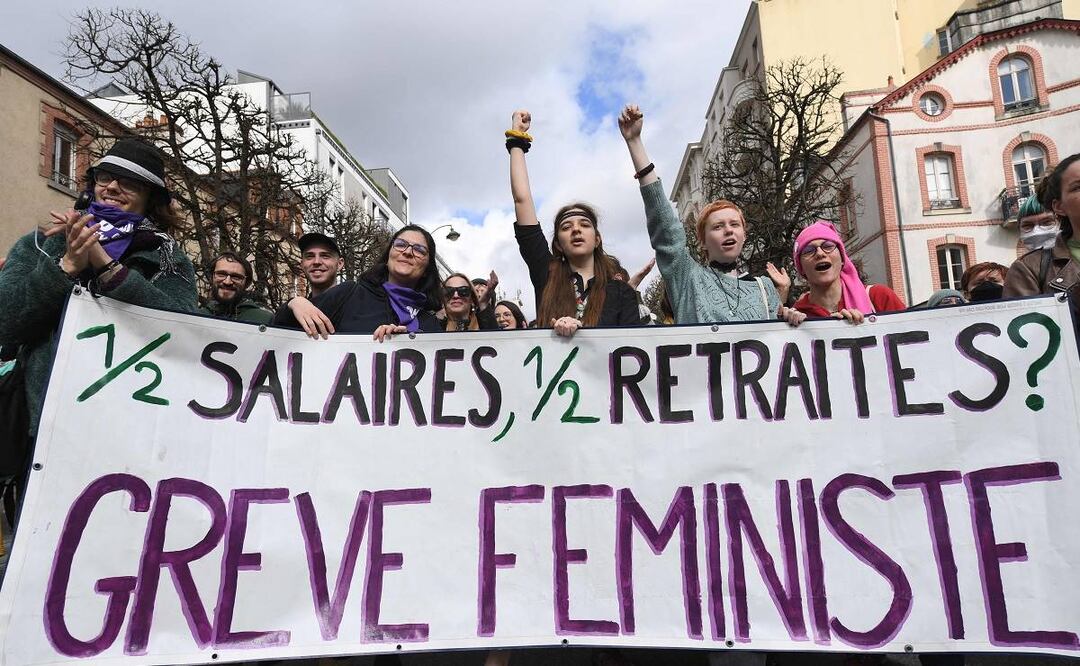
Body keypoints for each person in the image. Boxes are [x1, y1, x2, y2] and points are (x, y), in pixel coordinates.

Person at [0, 137, 196, 493]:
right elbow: (6, 324)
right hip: (42, 427)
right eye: (105, 177)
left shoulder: (169, 258)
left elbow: (181, 330)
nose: (113, 187)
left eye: (129, 182)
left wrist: (107, 268)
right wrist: (66, 266)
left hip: (128, 430)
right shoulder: (42, 242)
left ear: (150, 197)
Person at [618, 104, 786, 324]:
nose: (728, 230)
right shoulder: (687, 277)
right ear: (703, 242)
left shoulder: (766, 289)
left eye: (734, 224)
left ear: (744, 235)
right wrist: (635, 142)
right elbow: (664, 225)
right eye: (717, 226)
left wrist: (793, 318)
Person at [507, 110, 641, 337]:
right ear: (558, 244)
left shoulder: (620, 292)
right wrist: (516, 141)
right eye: (566, 227)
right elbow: (522, 200)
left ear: (597, 239)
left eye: (585, 225)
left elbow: (631, 352)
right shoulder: (546, 274)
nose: (576, 229)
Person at [272, 225, 442, 341]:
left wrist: (408, 342)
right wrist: (294, 304)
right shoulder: (349, 294)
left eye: (419, 250)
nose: (407, 252)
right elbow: (274, 334)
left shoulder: (430, 324)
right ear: (388, 255)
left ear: (428, 267)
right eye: (400, 244)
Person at [1004, 153, 1080, 330]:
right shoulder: (1028, 268)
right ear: (1059, 207)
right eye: (1078, 187)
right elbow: (1028, 341)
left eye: (1045, 223)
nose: (1037, 231)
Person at [784, 220, 905, 326]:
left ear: (842, 259)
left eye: (828, 246)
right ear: (801, 269)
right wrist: (787, 327)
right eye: (809, 250)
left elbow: (913, 344)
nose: (820, 254)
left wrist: (863, 328)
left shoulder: (879, 297)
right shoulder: (796, 316)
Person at [198, 252, 272, 323]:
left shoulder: (264, 320)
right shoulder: (197, 317)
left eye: (236, 277)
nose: (227, 282)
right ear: (212, 277)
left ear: (247, 283)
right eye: (221, 274)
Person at [299, 232, 344, 298]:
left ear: (339, 264)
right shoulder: (293, 307)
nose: (316, 262)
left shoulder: (358, 304)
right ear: (302, 264)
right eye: (310, 256)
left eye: (325, 256)